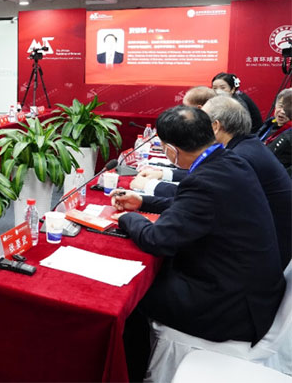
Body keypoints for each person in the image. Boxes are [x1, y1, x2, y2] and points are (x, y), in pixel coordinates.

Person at [111, 106, 285, 351]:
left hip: (230, 308)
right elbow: (195, 207)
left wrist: (127, 218)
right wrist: (143, 202)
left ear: (171, 150)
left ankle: (133, 365)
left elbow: (157, 239)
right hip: (251, 290)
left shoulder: (207, 179)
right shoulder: (230, 160)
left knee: (130, 295)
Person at [136, 97, 291, 266]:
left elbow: (160, 237)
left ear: (215, 126)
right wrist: (145, 199)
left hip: (256, 259)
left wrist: (132, 210)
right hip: (257, 252)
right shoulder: (241, 149)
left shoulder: (241, 157)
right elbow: (198, 198)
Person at [260, 89, 292, 171]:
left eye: (289, 108)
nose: (283, 111)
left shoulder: (289, 135)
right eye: (281, 106)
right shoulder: (270, 122)